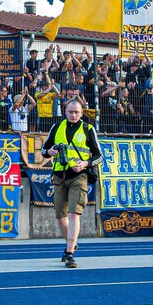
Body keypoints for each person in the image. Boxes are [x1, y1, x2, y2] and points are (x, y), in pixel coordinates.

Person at [40, 99, 102, 269]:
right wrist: (49, 152)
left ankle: (69, 253)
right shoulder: (57, 127)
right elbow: (44, 150)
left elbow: (99, 156)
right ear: (65, 112)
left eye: (77, 112)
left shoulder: (88, 129)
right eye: (70, 112)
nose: (73, 115)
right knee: (61, 216)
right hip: (59, 175)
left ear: (82, 113)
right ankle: (71, 243)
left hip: (79, 175)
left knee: (74, 213)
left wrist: (85, 164)